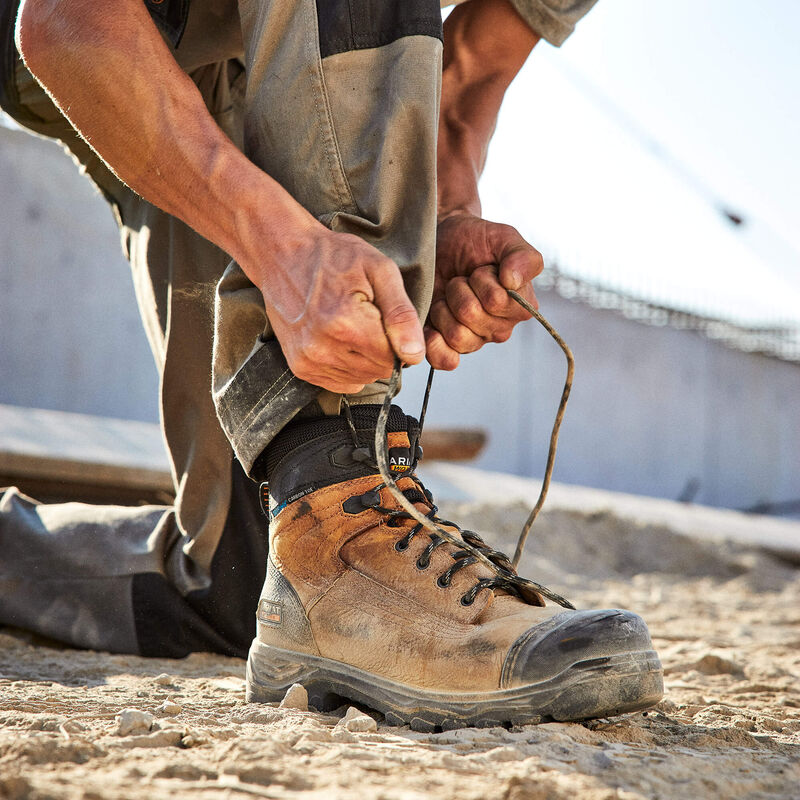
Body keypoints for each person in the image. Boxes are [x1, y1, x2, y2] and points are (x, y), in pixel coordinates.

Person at [0, 0, 663, 728]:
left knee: (260, 583)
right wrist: (276, 244)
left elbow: (468, 79)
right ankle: (341, 503)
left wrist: (442, 219)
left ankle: (318, 527)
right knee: (316, 514)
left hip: (283, 65)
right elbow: (64, 25)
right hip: (116, 48)